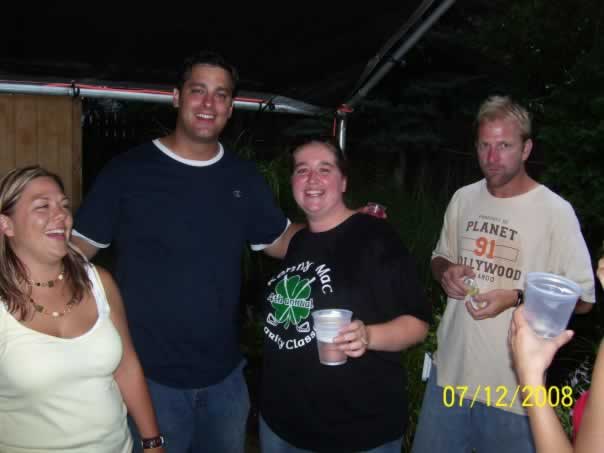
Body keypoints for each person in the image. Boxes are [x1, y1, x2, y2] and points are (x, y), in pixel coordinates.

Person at [71, 51, 298, 453]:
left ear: (230, 107)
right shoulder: (128, 172)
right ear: (177, 97)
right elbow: (78, 249)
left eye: (221, 94)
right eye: (198, 91)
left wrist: (344, 227)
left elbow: (280, 240)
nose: (209, 103)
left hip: (226, 382)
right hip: (149, 381)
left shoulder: (243, 177)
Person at [411, 95, 595, 453]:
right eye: (485, 145)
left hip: (514, 390)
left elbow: (584, 299)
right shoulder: (463, 199)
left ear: (526, 149)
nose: (492, 157)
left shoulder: (555, 212)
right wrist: (445, 272)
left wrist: (517, 297)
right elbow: (439, 257)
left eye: (504, 146)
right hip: (450, 377)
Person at [259, 139, 431, 453]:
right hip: (280, 422)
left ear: (344, 182)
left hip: (355, 431)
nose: (312, 179)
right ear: (292, 182)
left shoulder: (375, 236)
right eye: (302, 170)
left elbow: (417, 323)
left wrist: (369, 336)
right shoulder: (297, 241)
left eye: (324, 169)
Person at [0, 166, 163, 453]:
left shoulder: (99, 281)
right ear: (7, 225)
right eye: (43, 206)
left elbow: (127, 366)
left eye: (64, 205)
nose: (61, 215)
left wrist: (152, 442)